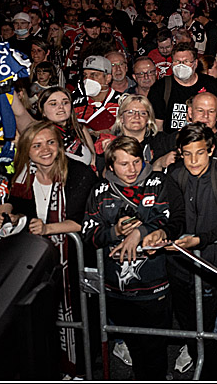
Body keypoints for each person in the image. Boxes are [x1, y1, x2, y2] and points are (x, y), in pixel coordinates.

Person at [82, 135, 178, 380]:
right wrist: (114, 231)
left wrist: (141, 231)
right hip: (117, 289)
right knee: (135, 347)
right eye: (124, 164)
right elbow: (88, 235)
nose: (132, 169)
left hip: (154, 286)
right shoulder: (100, 191)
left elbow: (172, 220)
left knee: (155, 348)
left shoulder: (158, 182)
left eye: (136, 162)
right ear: (111, 165)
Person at [8, 120, 97, 375]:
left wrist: (47, 228)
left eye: (50, 142)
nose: (45, 150)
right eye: (36, 145)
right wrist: (12, 217)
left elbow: (85, 221)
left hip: (77, 261)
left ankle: (81, 370)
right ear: (27, 150)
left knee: (82, 317)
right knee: (42, 319)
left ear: (59, 145)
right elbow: (17, 209)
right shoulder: (22, 177)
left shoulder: (80, 173)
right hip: (39, 263)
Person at [165, 122, 217, 378]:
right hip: (180, 264)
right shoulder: (175, 174)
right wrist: (165, 234)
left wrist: (200, 240)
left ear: (211, 150)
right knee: (189, 327)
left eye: (199, 153)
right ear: (180, 153)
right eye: (187, 154)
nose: (194, 160)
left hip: (211, 264)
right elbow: (175, 216)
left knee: (204, 329)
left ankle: (214, 376)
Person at [149, 42, 217, 132]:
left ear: (195, 63)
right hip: (173, 139)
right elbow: (157, 127)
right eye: (177, 61)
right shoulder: (160, 87)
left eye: (186, 61)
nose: (181, 65)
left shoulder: (212, 84)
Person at [72, 55, 124, 134]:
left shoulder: (123, 102)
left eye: (94, 75)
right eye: (85, 75)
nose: (88, 79)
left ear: (108, 78)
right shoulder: (75, 103)